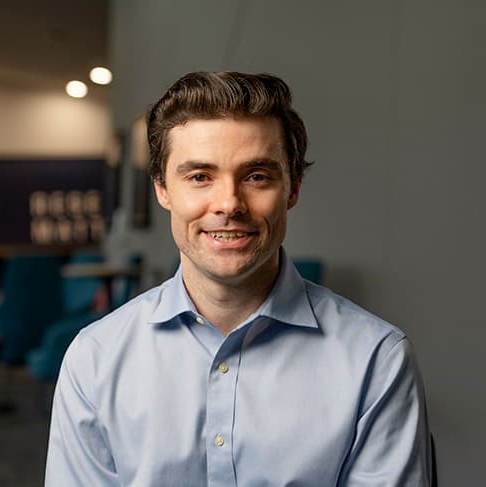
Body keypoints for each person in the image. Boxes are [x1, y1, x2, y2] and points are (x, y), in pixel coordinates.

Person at [45, 71, 434, 486]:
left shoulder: (376, 360)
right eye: (199, 177)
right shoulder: (95, 358)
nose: (229, 203)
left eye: (256, 176)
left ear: (293, 188)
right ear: (162, 189)